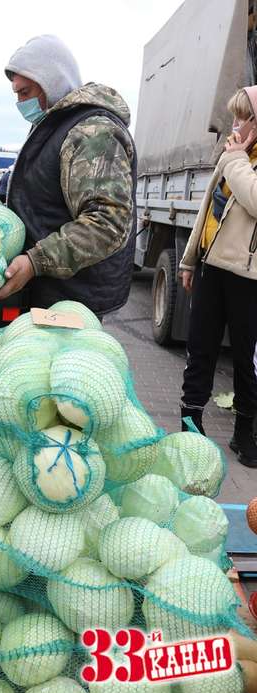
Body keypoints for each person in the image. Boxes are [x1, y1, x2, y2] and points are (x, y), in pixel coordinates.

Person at [0, 34, 136, 318]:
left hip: (71, 300)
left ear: (51, 83)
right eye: (16, 93)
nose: (19, 103)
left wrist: (35, 261)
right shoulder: (54, 126)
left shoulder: (92, 133)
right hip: (47, 292)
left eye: (25, 92)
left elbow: (108, 222)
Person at [179, 86, 257, 467]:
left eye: (243, 117)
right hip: (213, 268)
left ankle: (246, 433)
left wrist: (236, 159)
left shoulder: (237, 159)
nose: (236, 124)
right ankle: (190, 423)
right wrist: (190, 259)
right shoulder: (234, 158)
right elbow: (208, 208)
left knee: (245, 358)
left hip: (249, 277)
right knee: (200, 348)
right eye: (235, 116)